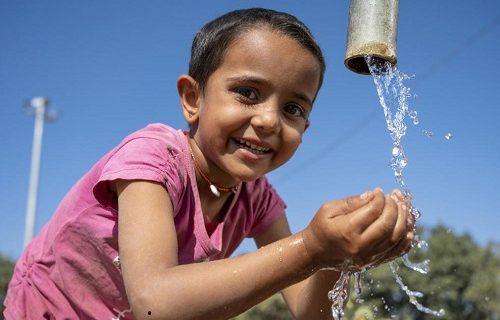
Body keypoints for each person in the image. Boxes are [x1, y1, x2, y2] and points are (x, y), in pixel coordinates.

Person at [4, 7, 415, 320]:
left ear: (306, 126)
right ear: (193, 99)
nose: (269, 120)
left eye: (292, 108)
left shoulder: (258, 199)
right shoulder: (152, 158)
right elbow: (155, 303)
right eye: (248, 93)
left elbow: (308, 310)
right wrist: (310, 248)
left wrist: (338, 259)